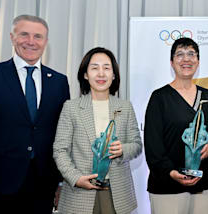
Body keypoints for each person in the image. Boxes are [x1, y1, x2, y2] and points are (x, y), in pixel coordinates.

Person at [0, 15, 70, 214]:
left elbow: (62, 137)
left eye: (38, 36)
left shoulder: (59, 82)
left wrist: (61, 183)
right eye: (24, 34)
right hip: (0, 187)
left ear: (45, 42)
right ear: (12, 37)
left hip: (43, 186)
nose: (31, 41)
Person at [53, 47, 142, 214]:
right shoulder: (71, 108)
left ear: (114, 75)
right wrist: (76, 178)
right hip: (79, 194)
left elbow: (137, 144)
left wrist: (123, 149)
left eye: (107, 68)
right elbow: (60, 150)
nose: (101, 74)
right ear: (85, 75)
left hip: (117, 195)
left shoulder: (125, 107)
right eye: (94, 68)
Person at [144, 37, 208, 214]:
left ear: (198, 61)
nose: (186, 59)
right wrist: (171, 172)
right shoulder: (160, 98)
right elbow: (153, 146)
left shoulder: (207, 96)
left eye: (191, 54)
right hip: (167, 187)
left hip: (205, 186)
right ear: (171, 62)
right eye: (180, 54)